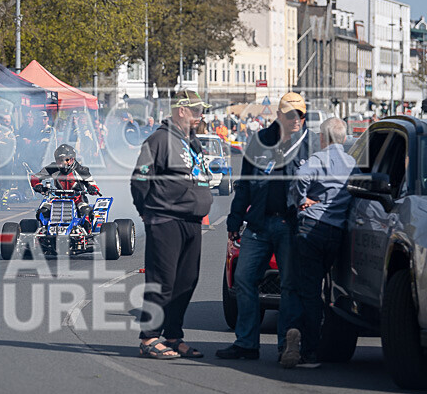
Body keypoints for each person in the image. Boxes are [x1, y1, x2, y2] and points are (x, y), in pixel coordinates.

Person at [217, 92, 313, 361]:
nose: (297, 119)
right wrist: (234, 222)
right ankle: (247, 344)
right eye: (292, 114)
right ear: (279, 115)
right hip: (258, 224)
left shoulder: (310, 144)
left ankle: (287, 346)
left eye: (301, 114)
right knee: (244, 280)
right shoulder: (259, 142)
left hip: (290, 225)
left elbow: (324, 184)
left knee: (290, 285)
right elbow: (245, 185)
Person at [131, 89, 214, 359]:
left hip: (191, 220)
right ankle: (149, 337)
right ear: (181, 110)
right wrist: (146, 211)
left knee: (187, 281)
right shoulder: (159, 139)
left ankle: (173, 336)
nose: (200, 116)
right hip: (165, 219)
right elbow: (139, 179)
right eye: (196, 111)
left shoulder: (192, 142)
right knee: (162, 280)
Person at [281, 118, 358, 368]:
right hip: (335, 233)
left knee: (309, 291)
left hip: (311, 229)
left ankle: (309, 349)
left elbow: (300, 178)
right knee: (326, 289)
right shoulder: (351, 163)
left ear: (323, 139)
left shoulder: (317, 160)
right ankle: (318, 338)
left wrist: (302, 200)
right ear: (344, 139)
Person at [30, 144, 100, 230]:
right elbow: (35, 177)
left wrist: (92, 188)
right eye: (60, 160)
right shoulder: (52, 168)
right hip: (58, 197)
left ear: (72, 159)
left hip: (77, 198)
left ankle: (86, 233)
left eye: (67, 159)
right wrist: (38, 185)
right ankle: (44, 230)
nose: (64, 162)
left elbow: (93, 184)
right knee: (43, 211)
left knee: (85, 211)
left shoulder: (81, 170)